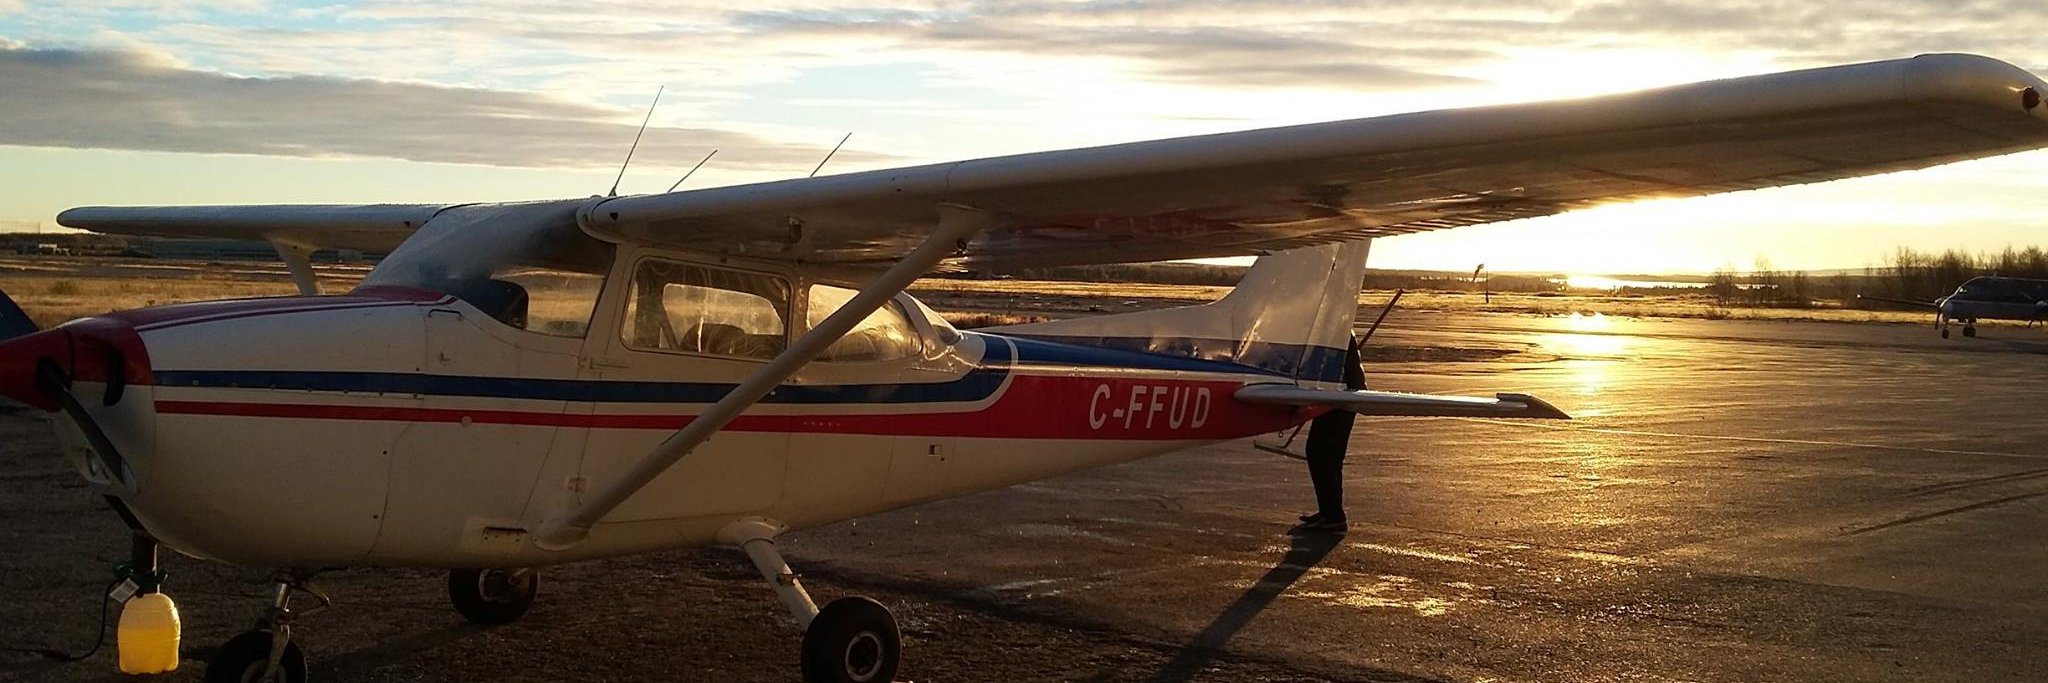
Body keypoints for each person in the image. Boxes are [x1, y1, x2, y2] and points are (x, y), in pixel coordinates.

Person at [1296, 337, 1366, 534]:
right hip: (1338, 395)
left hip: (1341, 397)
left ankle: (1334, 516)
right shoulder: (1337, 330)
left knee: (1322, 453)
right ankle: (1329, 512)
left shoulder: (1336, 331)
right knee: (1325, 454)